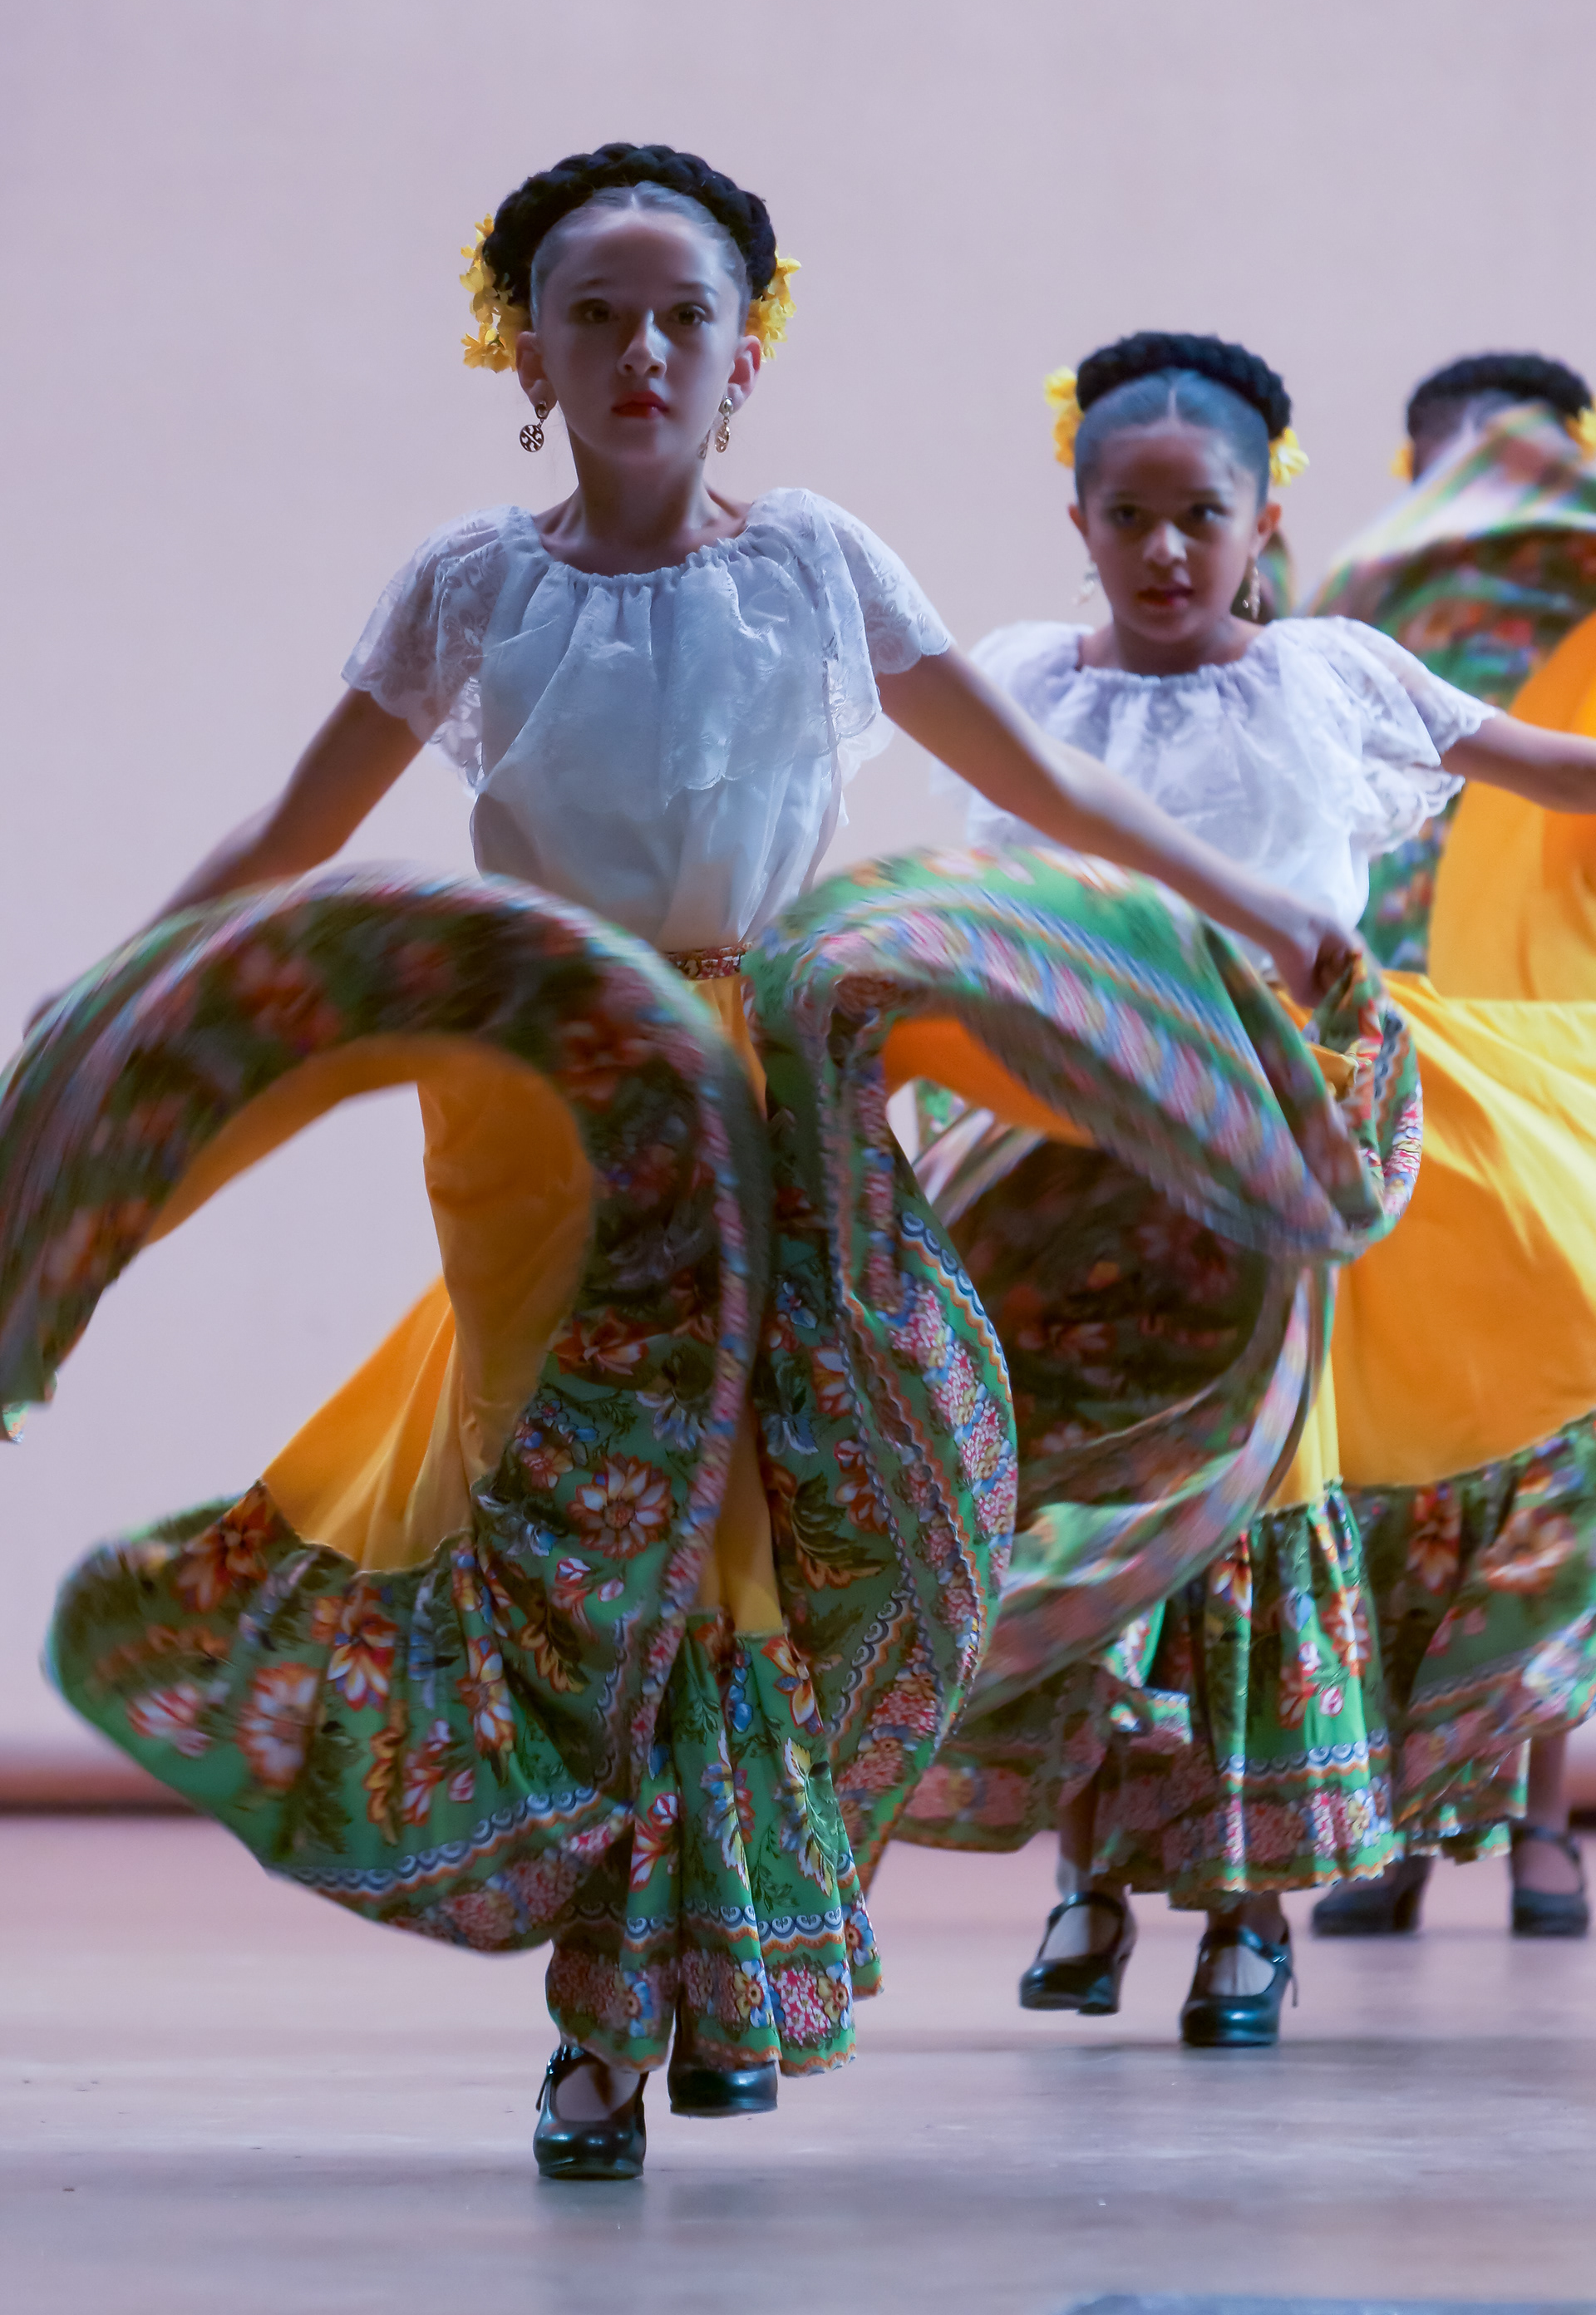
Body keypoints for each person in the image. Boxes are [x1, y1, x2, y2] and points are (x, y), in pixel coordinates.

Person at [0, 158, 1359, 2178]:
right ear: (525, 357)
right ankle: (608, 2026)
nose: (642, 351)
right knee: (627, 1540)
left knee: (828, 1507)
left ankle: (697, 1965)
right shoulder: (468, 586)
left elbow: (1039, 777)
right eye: (595, 315)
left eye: (682, 317)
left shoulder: (813, 561)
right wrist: (115, 987)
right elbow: (293, 836)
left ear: (745, 356)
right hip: (550, 1113)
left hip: (771, 1082)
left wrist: (1250, 900)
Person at [900, 331, 1596, 2042]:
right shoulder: (1019, 681)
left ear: (1263, 515)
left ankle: (1245, 1919)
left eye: (1197, 515)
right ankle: (1087, 1885)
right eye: (1127, 516)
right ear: (1076, 518)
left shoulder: (1334, 677)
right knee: (1079, 1505)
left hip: (1269, 1156)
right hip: (1059, 1155)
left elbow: (1552, 768)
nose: (1163, 550)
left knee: (1250, 1503)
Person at [1308, 352, 1596, 1937]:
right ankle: (1399, 1826)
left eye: (1516, 459)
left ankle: (1545, 1825)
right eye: (1451, 463)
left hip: (1557, 1071)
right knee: (1396, 1458)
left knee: (1552, 1439)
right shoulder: (1359, 638)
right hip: (1401, 1073)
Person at [1310, 352, 1596, 974]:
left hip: (1555, 969)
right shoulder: (1367, 615)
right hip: (1403, 970)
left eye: (1499, 481)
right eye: (1451, 489)